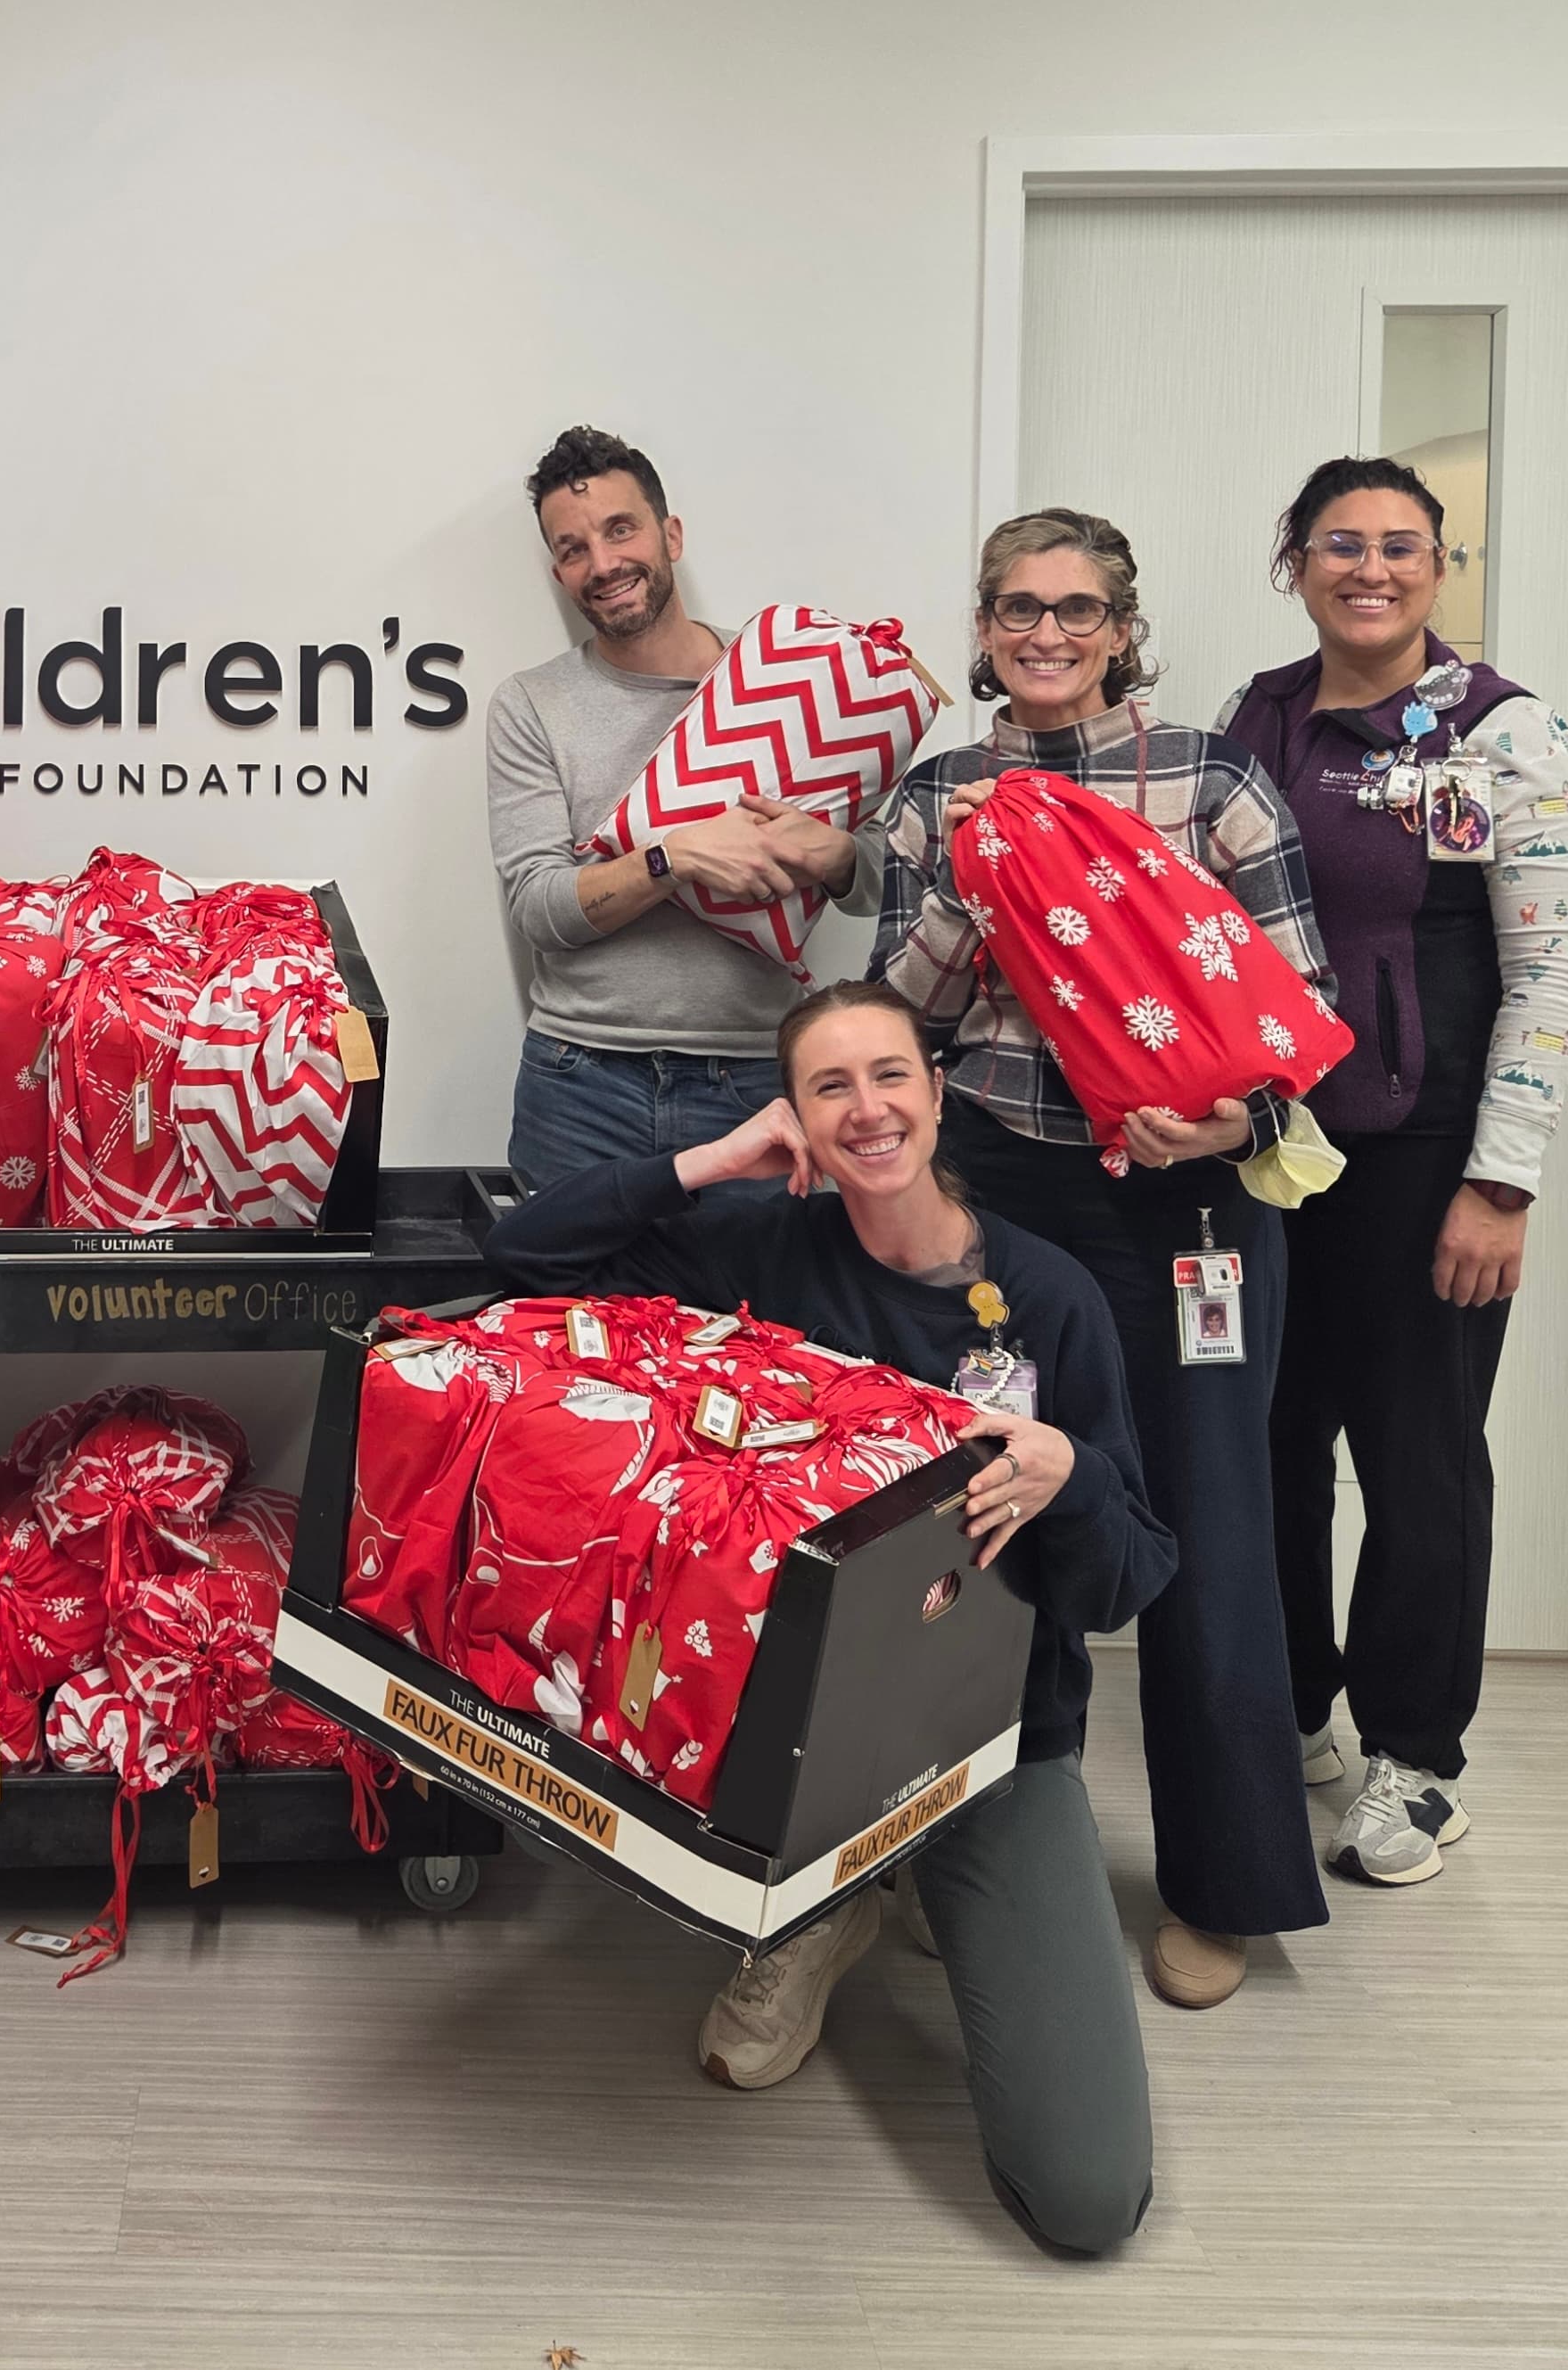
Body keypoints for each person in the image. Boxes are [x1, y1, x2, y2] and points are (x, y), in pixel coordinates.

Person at [488, 982, 1174, 2257]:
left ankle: (908, 1875)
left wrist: (1067, 1474)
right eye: (829, 1086)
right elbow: (522, 1258)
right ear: (792, 1114)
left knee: (1087, 2198)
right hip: (782, 1733)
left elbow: (1130, 1577)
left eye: (890, 1075)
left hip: (984, 1741)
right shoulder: (759, 1240)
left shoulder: (1052, 1294)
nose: (868, 1109)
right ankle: (813, 1906)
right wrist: (708, 1158)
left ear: (938, 1087)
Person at [872, 507, 1334, 2009]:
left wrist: (1235, 1118)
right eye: (1018, 607)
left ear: (1122, 624)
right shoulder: (942, 788)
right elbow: (904, 1009)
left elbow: (1295, 990)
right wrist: (962, 877)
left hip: (1190, 1205)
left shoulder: (1209, 774)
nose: (1048, 632)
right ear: (985, 623)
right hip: (1005, 1191)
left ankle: (1223, 1882)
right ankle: (972, 1852)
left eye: (1078, 608)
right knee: (986, 1521)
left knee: (1210, 1523)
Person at [1218, 457, 1568, 1888]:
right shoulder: (1254, 720)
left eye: (1400, 546)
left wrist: (1501, 1181)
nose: (1368, 568)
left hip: (1426, 1151)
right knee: (1268, 1439)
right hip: (1260, 1151)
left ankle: (1417, 1758)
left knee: (1418, 1451)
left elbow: (1552, 964)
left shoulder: (1503, 732)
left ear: (1440, 567)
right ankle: (1297, 1706)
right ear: (1295, 560)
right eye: (1339, 543)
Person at [486, 425, 882, 1193]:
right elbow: (538, 909)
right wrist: (676, 858)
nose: (602, 565)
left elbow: (872, 885)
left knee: (757, 1315)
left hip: (755, 1078)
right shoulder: (532, 704)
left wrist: (831, 853)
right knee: (568, 1315)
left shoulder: (781, 675)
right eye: (572, 549)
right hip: (579, 1083)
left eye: (620, 529)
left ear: (671, 534)